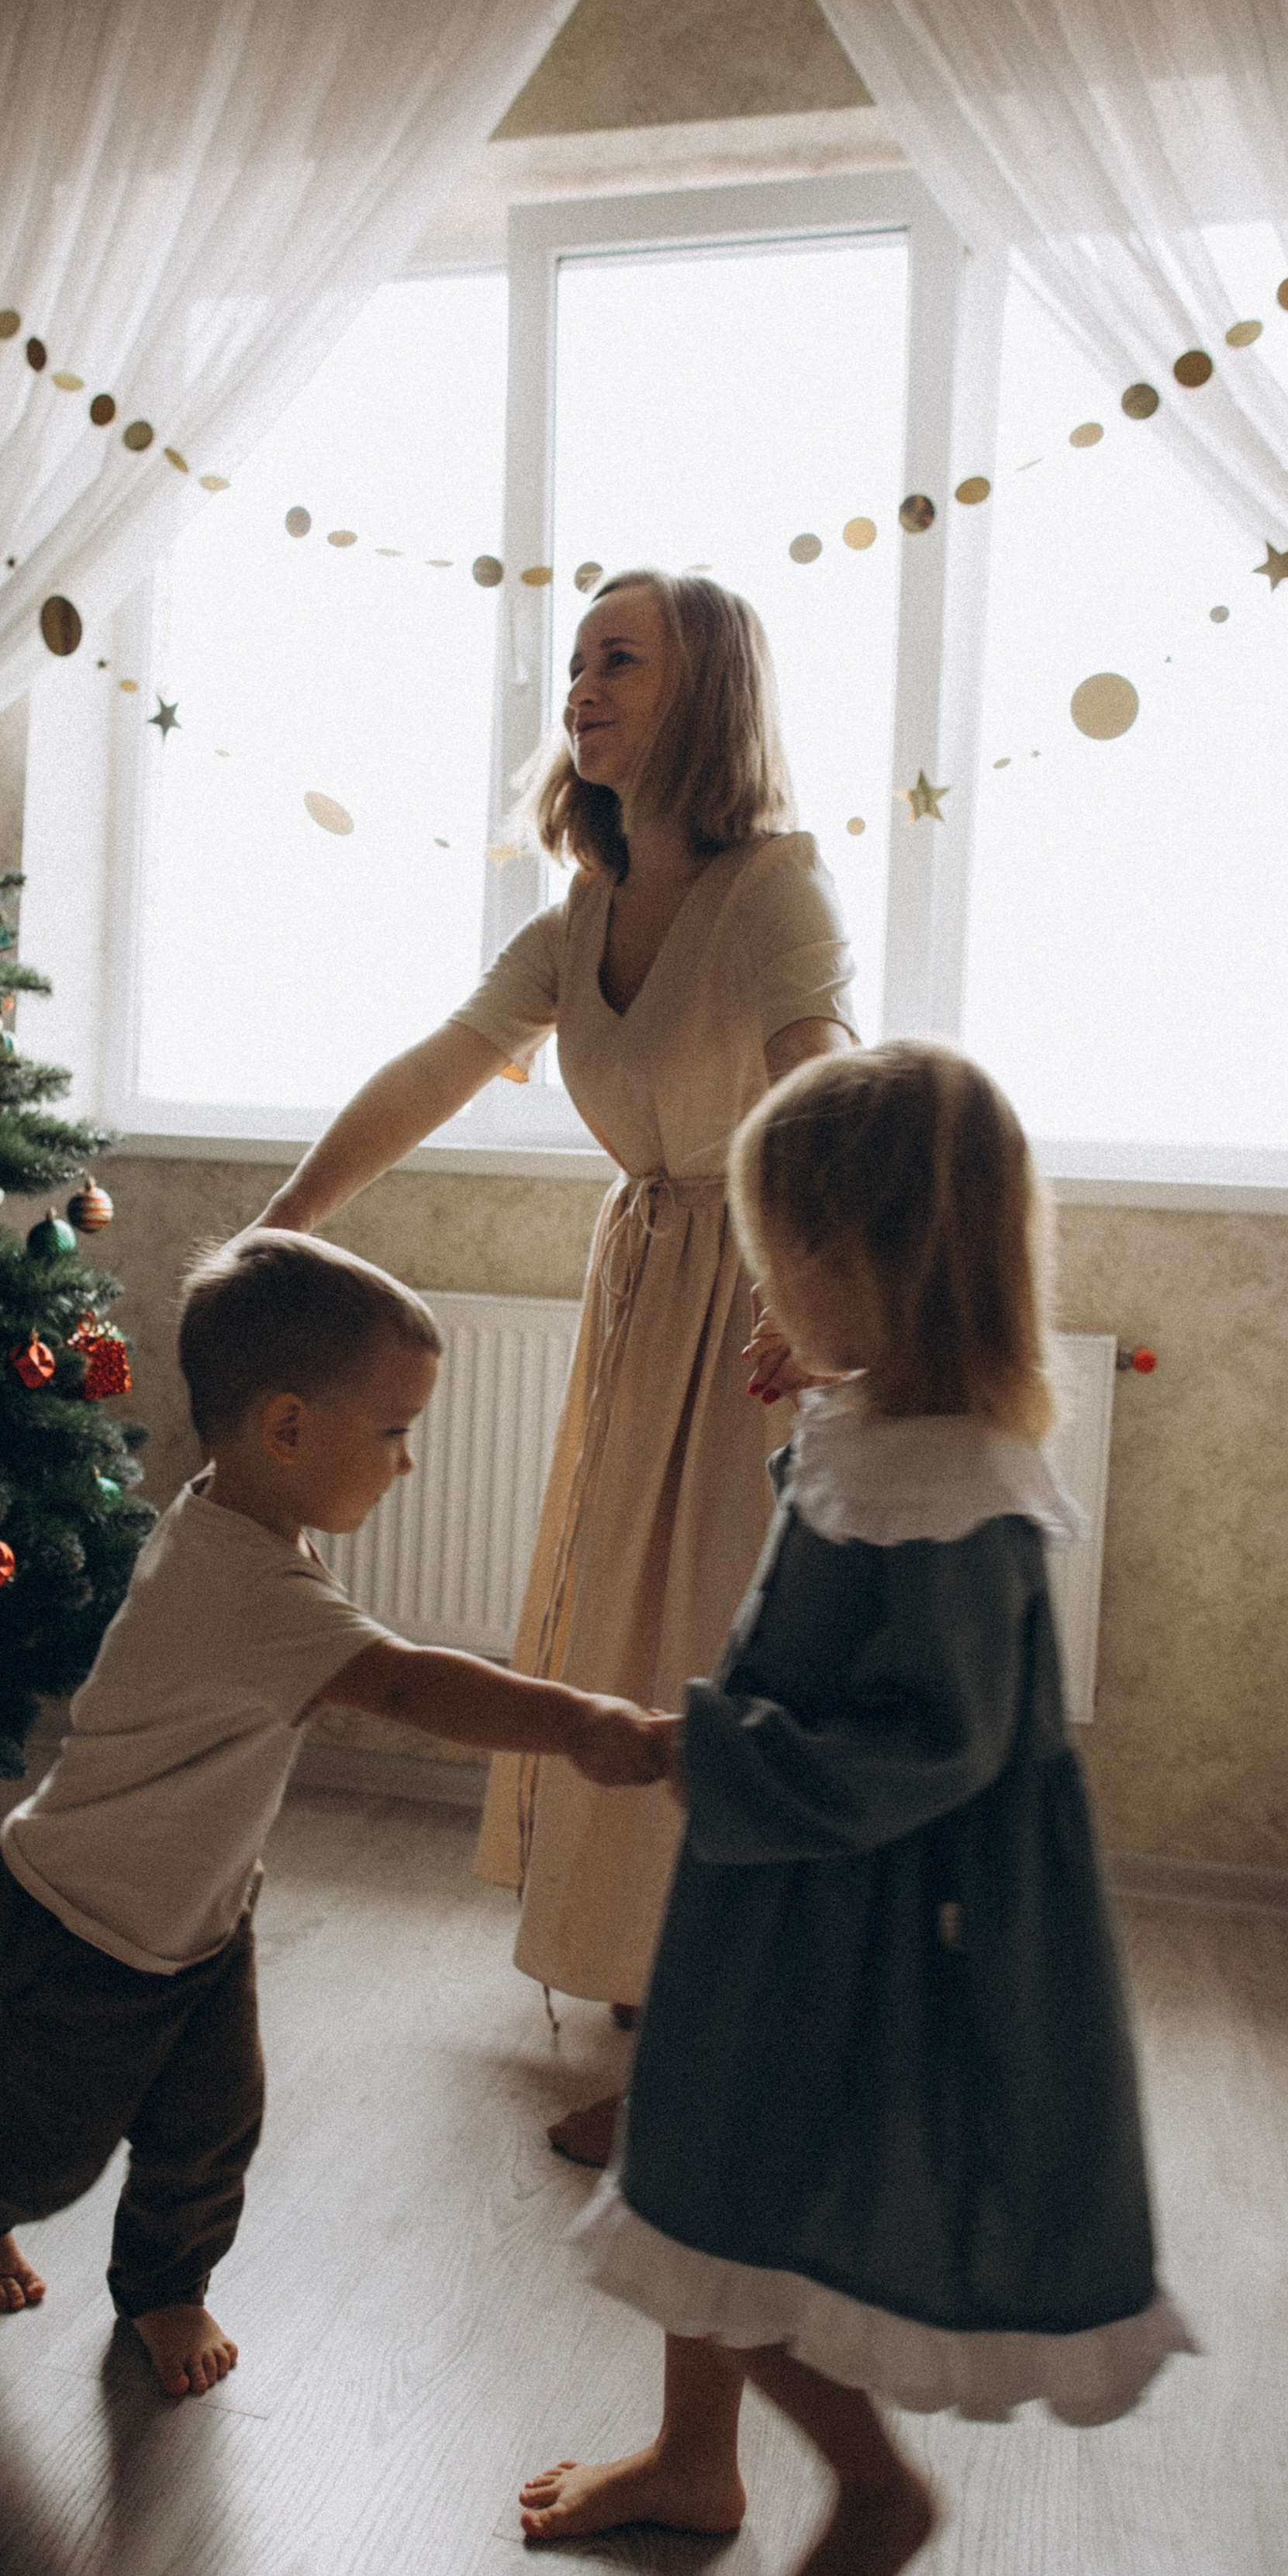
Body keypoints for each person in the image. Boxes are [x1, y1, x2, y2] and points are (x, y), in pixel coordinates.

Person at [519, 1042, 1196, 2576]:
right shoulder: (890, 1417)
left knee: (728, 2196)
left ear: (868, 1267)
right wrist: (815, 1368)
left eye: (781, 1268)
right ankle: (696, 2466)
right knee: (695, 2171)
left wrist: (716, 1755)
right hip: (784, 1893)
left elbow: (937, 1745)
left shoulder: (956, 1491)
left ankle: (866, 2484)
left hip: (872, 1923)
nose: (764, 1297)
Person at [256, 570, 857, 2163]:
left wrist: (815, 1280)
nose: (580, 685)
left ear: (704, 691)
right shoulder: (578, 913)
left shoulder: (776, 885)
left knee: (716, 1649)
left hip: (753, 1302)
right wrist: (279, 1228)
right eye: (575, 660)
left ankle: (735, 2037)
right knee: (625, 1626)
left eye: (619, 660)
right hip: (648, 1280)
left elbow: (821, 1074)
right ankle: (664, 1980)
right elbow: (433, 1070)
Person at [0, 1232, 675, 2397]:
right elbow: (415, 1683)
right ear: (284, 1429)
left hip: (200, 1924)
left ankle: (167, 2287)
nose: (406, 1462)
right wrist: (580, 1725)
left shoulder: (244, 1517)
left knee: (212, 2129)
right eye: (394, 1431)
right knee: (43, 2151)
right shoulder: (240, 1582)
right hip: (72, 1932)